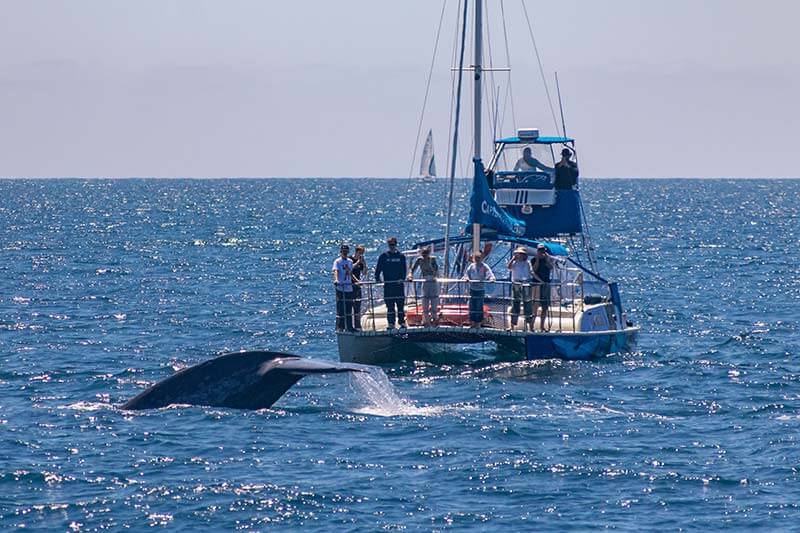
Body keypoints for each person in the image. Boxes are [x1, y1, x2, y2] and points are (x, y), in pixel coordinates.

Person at [375, 236, 407, 329]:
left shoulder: (401, 256)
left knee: (400, 305)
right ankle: (391, 324)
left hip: (399, 285)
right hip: (388, 285)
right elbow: (378, 269)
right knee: (390, 306)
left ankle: (402, 323)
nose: (392, 246)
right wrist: (377, 278)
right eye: (390, 245)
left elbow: (404, 270)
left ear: (396, 245)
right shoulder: (383, 256)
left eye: (393, 244)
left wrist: (402, 278)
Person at [407, 246, 440, 326]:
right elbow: (412, 269)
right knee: (425, 300)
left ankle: (434, 318)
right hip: (425, 280)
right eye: (423, 254)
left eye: (426, 254)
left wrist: (431, 265)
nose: (425, 256)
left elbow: (436, 271)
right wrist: (410, 275)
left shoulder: (432, 259)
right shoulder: (419, 260)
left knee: (434, 300)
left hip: (433, 280)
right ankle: (425, 320)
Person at [462, 252, 495, 329]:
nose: (477, 259)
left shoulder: (484, 266)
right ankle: (472, 322)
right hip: (472, 289)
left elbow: (490, 274)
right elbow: (466, 274)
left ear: (481, 258)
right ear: (473, 259)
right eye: (475, 258)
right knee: (472, 306)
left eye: (478, 258)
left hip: (480, 289)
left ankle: (478, 323)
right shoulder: (471, 266)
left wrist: (491, 278)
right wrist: (466, 278)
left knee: (479, 306)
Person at [507, 246, 533, 331]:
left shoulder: (527, 263)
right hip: (516, 283)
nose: (520, 255)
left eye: (522, 254)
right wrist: (513, 259)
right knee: (515, 304)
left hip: (525, 283)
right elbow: (509, 267)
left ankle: (530, 326)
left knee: (527, 305)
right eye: (519, 254)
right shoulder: (514, 263)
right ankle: (512, 326)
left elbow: (531, 272)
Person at [531, 244, 555, 331]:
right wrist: (537, 259)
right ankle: (532, 326)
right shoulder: (533, 260)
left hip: (546, 284)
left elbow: (551, 267)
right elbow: (533, 270)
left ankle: (542, 326)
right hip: (536, 284)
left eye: (543, 251)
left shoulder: (547, 260)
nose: (542, 253)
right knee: (535, 306)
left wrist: (547, 259)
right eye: (540, 251)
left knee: (545, 307)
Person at [332, 244, 355, 332]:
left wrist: (356, 281)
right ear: (341, 252)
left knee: (349, 308)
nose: (344, 253)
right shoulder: (337, 261)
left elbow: (350, 273)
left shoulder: (350, 261)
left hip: (349, 287)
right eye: (343, 251)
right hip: (341, 288)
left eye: (346, 251)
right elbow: (336, 271)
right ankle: (340, 327)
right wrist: (337, 280)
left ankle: (350, 327)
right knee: (341, 309)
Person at [350, 245, 367, 331]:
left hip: (357, 287)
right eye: (360, 253)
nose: (361, 255)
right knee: (350, 307)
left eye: (362, 253)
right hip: (350, 286)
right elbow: (349, 271)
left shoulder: (361, 261)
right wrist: (357, 281)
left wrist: (364, 264)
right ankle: (349, 326)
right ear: (356, 252)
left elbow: (364, 273)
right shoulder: (350, 260)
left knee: (357, 307)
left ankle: (358, 326)